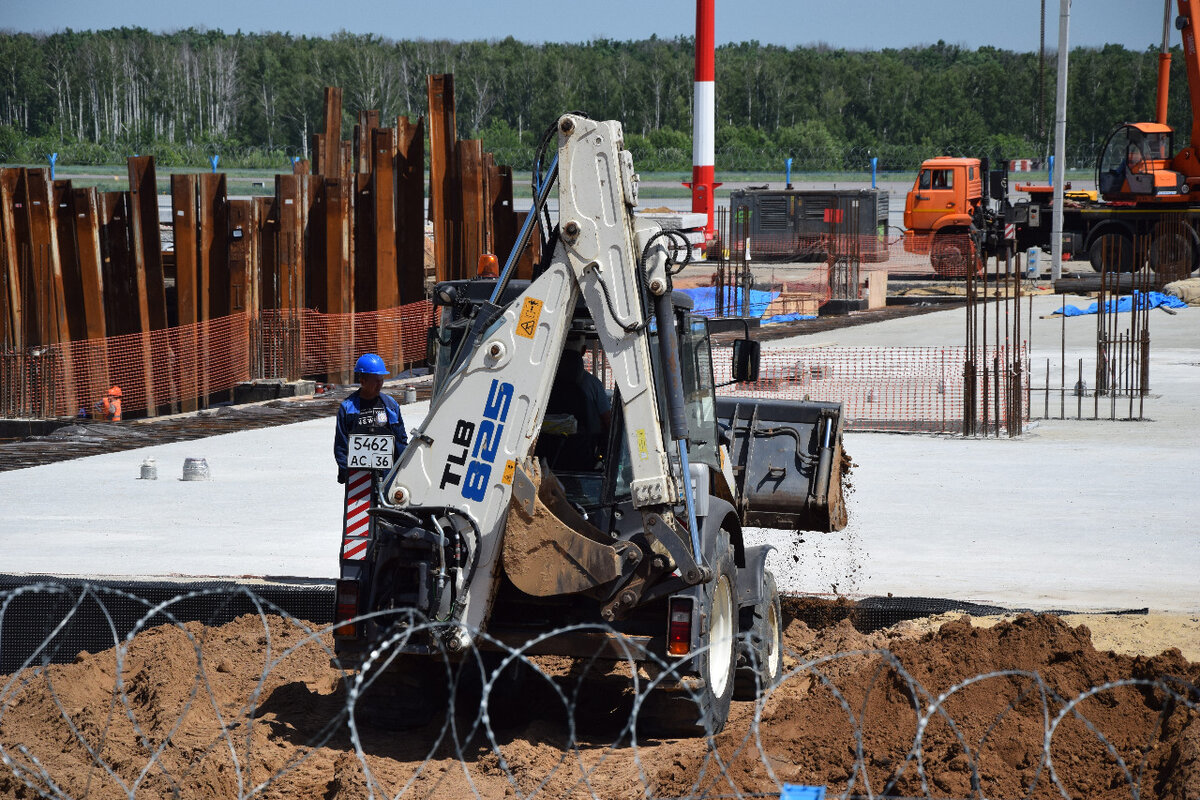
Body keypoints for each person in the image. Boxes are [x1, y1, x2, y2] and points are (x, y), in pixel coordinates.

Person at [333, 353, 408, 483]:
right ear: (362, 381)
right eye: (376, 381)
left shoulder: (391, 406)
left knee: (389, 503)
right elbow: (341, 444)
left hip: (388, 473)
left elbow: (401, 439)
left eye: (381, 380)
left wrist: (404, 467)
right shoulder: (348, 408)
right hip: (358, 473)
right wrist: (346, 472)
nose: (380, 385)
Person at [541, 336, 611, 471]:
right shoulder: (593, 384)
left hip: (545, 458)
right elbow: (607, 421)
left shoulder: (541, 384)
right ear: (584, 350)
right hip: (583, 457)